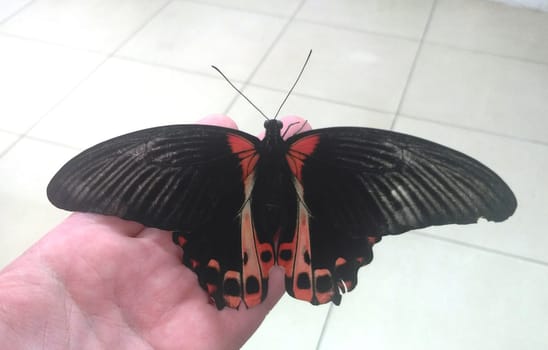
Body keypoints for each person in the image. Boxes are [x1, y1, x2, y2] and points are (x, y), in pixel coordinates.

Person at [0, 115, 310, 349]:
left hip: (230, 234)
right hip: (312, 230)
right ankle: (313, 267)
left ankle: (244, 274)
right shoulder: (309, 153)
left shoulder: (226, 149)